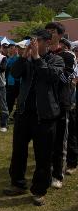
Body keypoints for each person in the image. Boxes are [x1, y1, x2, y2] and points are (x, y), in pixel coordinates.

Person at [3, 30, 64, 206]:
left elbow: (51, 77)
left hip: (45, 116)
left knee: (43, 155)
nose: (33, 43)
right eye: (32, 40)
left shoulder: (56, 59)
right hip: (24, 114)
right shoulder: (27, 59)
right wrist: (24, 57)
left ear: (48, 42)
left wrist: (37, 58)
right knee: (18, 151)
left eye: (37, 40)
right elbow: (14, 73)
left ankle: (39, 190)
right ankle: (17, 183)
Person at [45, 22, 75, 189]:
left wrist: (49, 70)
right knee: (46, 140)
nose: (49, 34)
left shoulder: (68, 56)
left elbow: (65, 78)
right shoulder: (43, 53)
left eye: (52, 32)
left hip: (62, 103)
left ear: (61, 35)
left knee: (60, 141)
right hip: (44, 104)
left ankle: (58, 174)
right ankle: (47, 170)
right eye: (47, 31)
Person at [6, 42, 20, 117]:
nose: (12, 49)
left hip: (19, 82)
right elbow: (7, 66)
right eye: (10, 48)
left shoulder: (19, 58)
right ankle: (7, 115)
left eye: (13, 48)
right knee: (9, 100)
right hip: (11, 82)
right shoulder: (8, 58)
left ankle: (16, 115)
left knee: (19, 100)